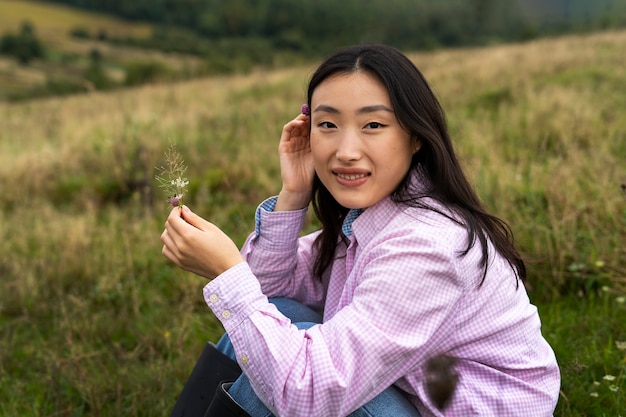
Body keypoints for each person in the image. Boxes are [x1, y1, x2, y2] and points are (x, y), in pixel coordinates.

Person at [161, 44, 561, 417]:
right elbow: (270, 289)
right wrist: (294, 192)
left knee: (280, 367)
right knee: (276, 320)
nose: (346, 150)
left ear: (416, 135)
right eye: (328, 124)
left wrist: (228, 274)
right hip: (415, 392)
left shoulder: (425, 245)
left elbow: (308, 391)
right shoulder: (374, 215)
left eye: (372, 124)